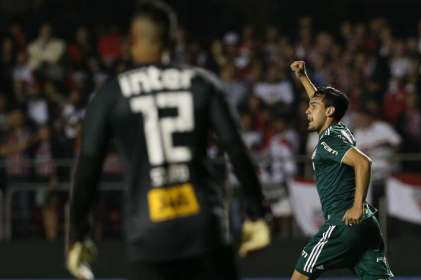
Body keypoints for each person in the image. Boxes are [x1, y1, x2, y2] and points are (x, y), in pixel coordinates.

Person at [66, 2, 270, 280]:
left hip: (148, 235)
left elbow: (87, 167)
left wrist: (77, 235)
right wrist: (258, 213)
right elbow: (237, 150)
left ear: (133, 42)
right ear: (173, 42)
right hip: (204, 230)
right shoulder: (203, 84)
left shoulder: (111, 95)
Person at [289, 60, 393, 280]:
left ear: (329, 111)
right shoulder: (340, 129)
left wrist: (356, 206)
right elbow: (320, 102)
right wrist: (303, 77)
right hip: (366, 224)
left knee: (299, 277)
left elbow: (364, 163)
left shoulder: (329, 141)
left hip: (344, 220)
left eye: (312, 107)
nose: (307, 110)